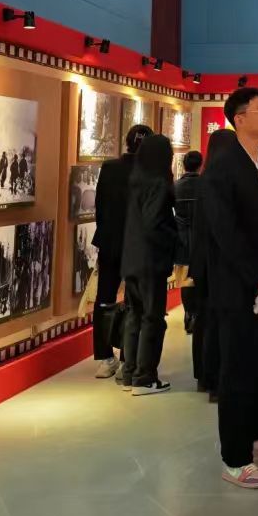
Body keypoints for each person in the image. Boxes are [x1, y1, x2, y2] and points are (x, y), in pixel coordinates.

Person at [200, 88, 258, 489]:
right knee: (239, 370)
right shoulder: (222, 168)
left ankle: (256, 431)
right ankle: (236, 459)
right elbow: (225, 232)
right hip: (240, 287)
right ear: (238, 119)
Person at [119, 134, 179, 395]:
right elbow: (154, 223)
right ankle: (145, 377)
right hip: (150, 260)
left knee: (134, 315)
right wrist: (174, 237)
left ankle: (130, 372)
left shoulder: (135, 181)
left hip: (131, 258)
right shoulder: (160, 184)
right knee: (153, 318)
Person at [92, 123, 153, 380]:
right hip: (140, 247)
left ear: (127, 142)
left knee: (104, 300)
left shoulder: (109, 168)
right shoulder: (152, 172)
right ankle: (129, 358)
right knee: (135, 302)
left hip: (110, 243)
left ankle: (105, 357)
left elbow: (100, 206)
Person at [190, 130, 239, 399]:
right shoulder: (222, 181)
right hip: (221, 262)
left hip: (202, 262)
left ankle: (204, 375)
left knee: (205, 320)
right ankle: (218, 380)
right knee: (222, 322)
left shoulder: (204, 179)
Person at [174, 150, 202, 374]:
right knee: (199, 278)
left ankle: (188, 313)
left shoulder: (176, 187)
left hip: (182, 239)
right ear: (200, 165)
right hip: (201, 240)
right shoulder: (205, 186)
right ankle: (198, 314)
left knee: (184, 280)